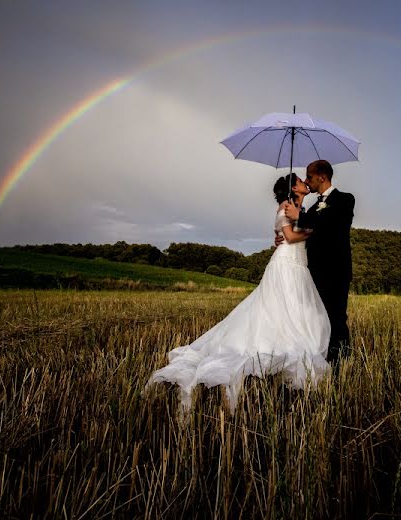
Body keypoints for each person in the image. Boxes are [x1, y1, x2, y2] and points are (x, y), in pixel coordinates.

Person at [144, 174, 330, 412]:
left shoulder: (300, 207)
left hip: (299, 263)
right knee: (282, 308)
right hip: (285, 264)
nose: (305, 182)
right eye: (301, 181)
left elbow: (289, 234)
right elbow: (292, 236)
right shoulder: (285, 207)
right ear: (293, 188)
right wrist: (312, 231)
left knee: (295, 310)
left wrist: (303, 226)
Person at [282, 159, 354, 363]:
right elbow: (306, 231)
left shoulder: (345, 200)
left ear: (322, 177)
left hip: (336, 270)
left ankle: (341, 361)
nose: (307, 181)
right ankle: (323, 358)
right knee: (318, 318)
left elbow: (331, 225)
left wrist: (300, 217)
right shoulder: (314, 207)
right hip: (314, 271)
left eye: (310, 177)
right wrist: (284, 237)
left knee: (337, 317)